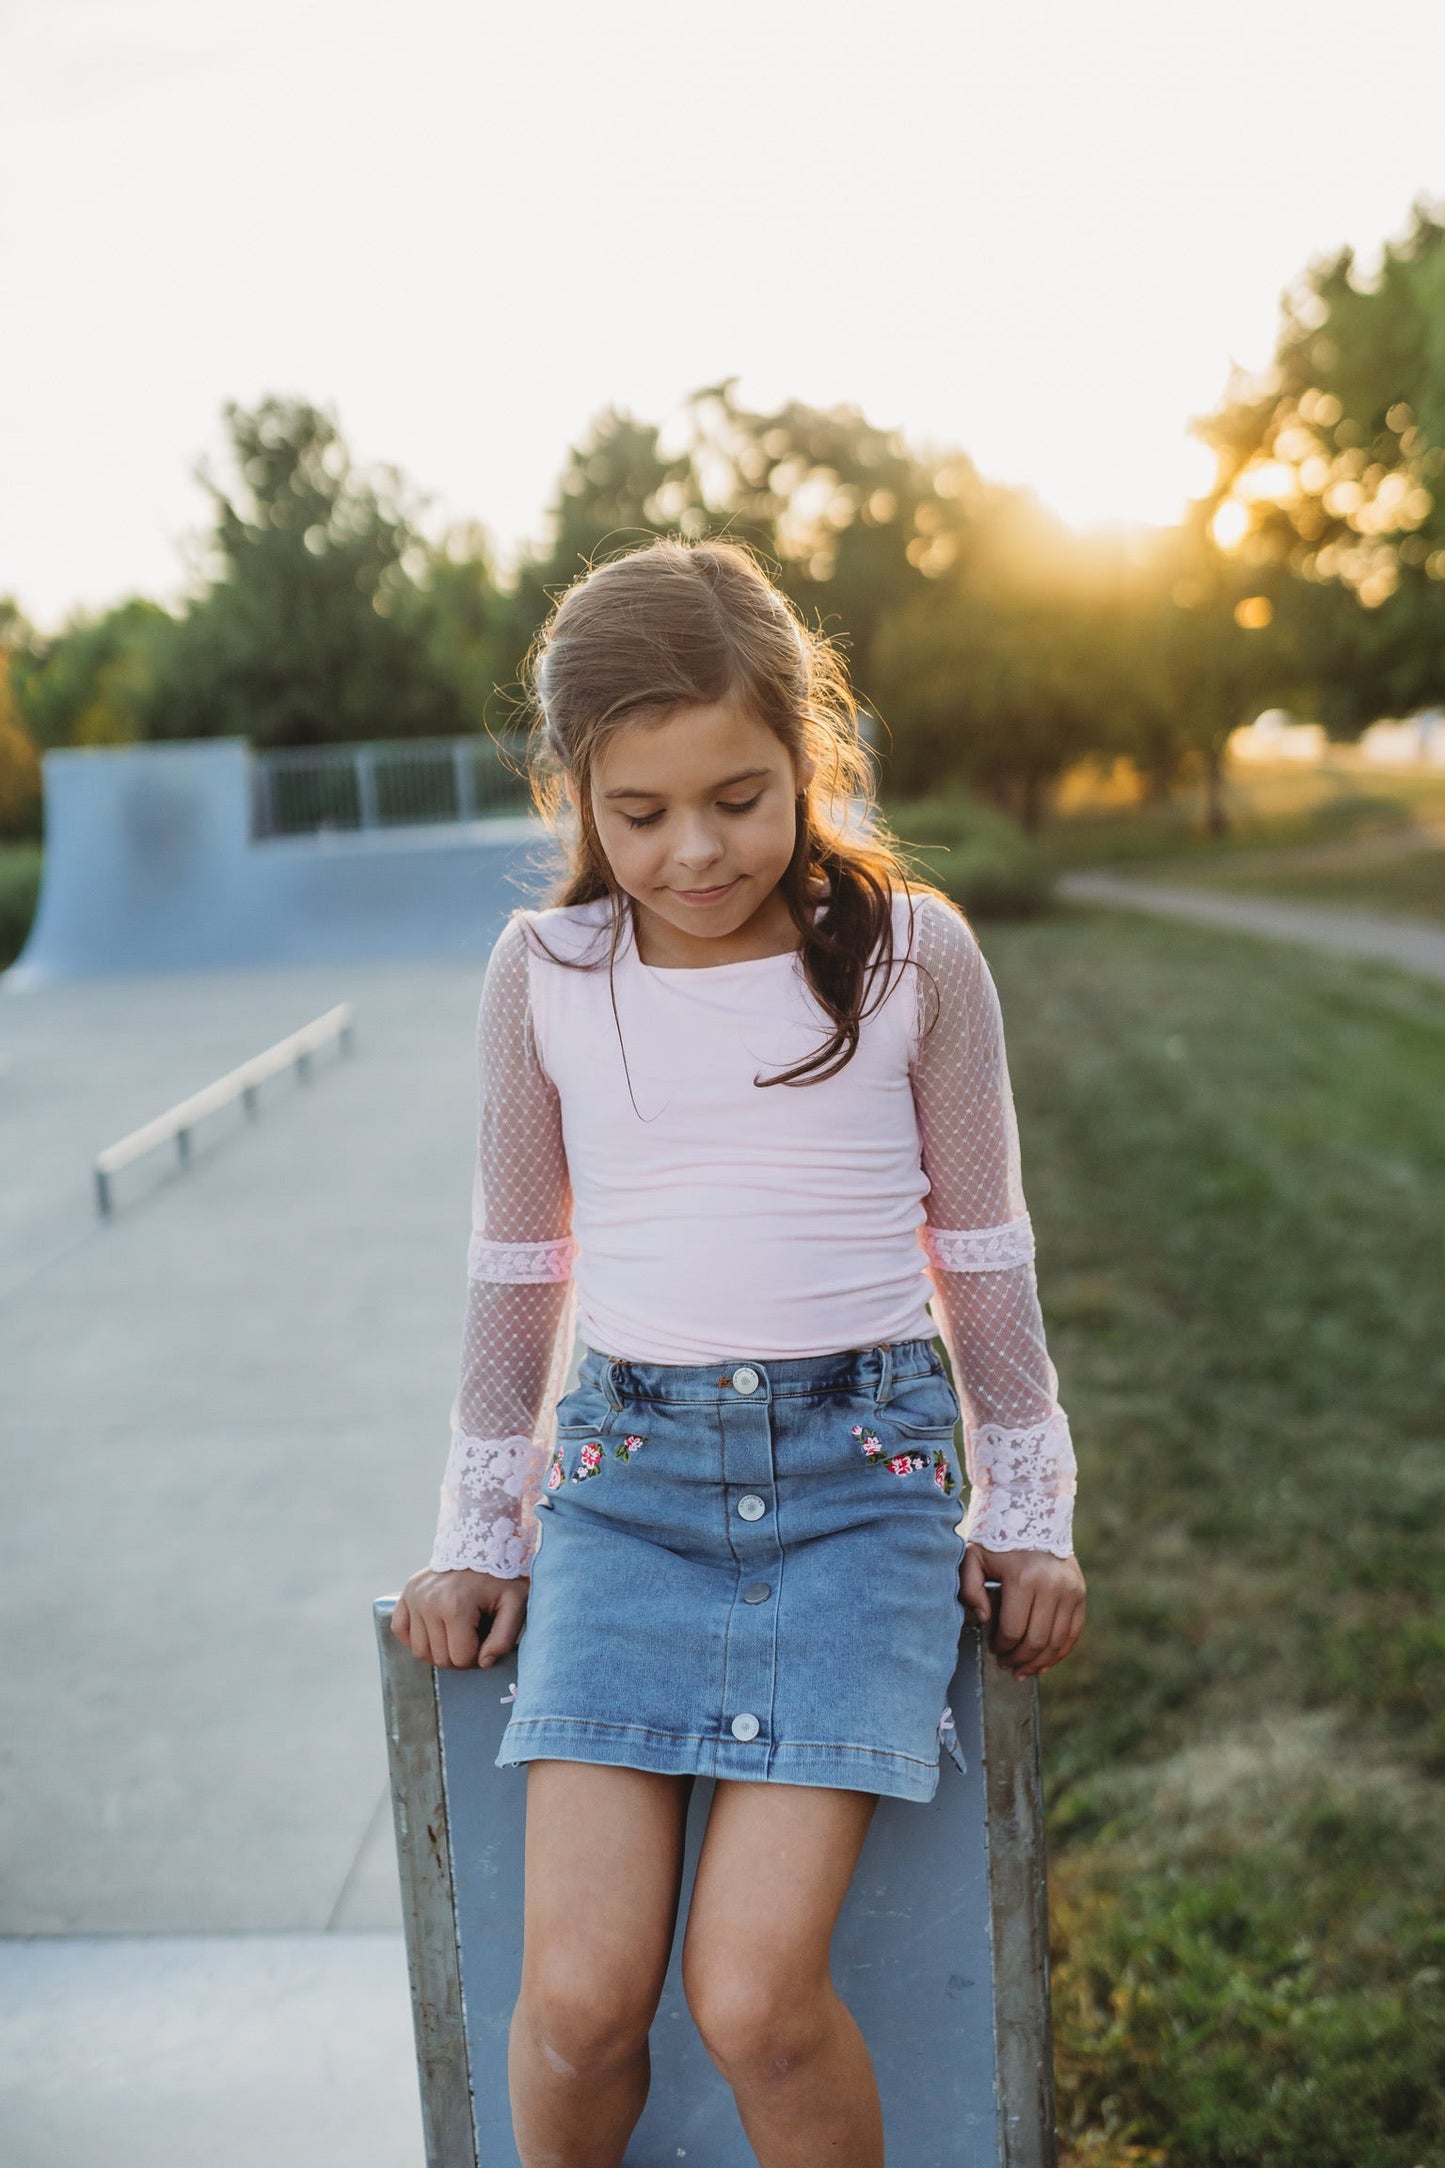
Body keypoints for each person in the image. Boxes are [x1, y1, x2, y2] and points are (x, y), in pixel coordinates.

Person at [391, 537, 1086, 2167]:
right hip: (626, 1497)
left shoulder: (915, 956)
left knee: (755, 1999)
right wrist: (476, 1534)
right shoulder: (546, 975)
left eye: (739, 796)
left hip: (863, 1494)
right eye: (639, 814)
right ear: (573, 795)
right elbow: (518, 1270)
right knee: (572, 2006)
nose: (695, 850)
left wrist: (1029, 1508)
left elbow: (978, 1258)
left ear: (806, 757)